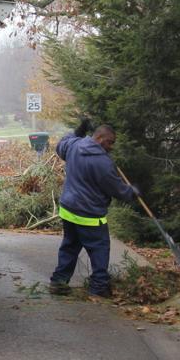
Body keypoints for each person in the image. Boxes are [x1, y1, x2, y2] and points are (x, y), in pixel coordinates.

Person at [49, 121, 138, 297]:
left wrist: (77, 133)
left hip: (68, 210)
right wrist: (132, 192)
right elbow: (116, 189)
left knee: (69, 247)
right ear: (100, 138)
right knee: (99, 249)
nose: (111, 147)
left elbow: (61, 145)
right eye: (110, 142)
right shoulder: (103, 163)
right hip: (89, 215)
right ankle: (99, 287)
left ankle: (58, 282)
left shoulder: (75, 145)